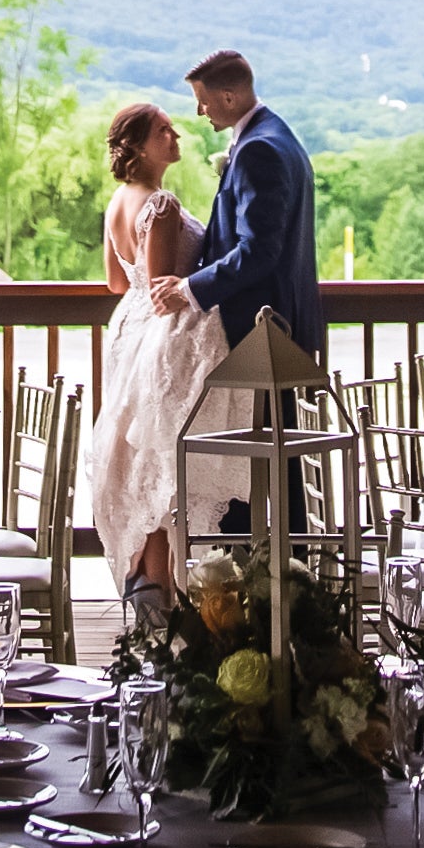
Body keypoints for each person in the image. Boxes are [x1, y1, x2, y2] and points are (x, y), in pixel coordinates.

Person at [145, 51, 321, 533]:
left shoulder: (260, 149)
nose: (200, 112)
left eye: (203, 102)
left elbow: (259, 251)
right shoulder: (273, 136)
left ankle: (268, 589)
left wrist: (189, 288)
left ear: (228, 95)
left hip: (263, 331)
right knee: (274, 469)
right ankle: (279, 582)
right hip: (275, 328)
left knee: (259, 466)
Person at [89, 99, 231, 592]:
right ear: (137, 146)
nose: (176, 137)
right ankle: (157, 589)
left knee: (145, 460)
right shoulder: (160, 205)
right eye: (164, 132)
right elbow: (163, 288)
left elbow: (115, 281)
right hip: (161, 339)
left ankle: (150, 588)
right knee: (163, 461)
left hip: (127, 329)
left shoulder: (118, 201)